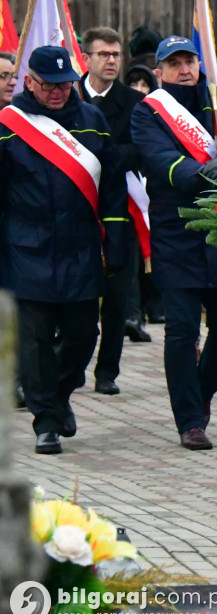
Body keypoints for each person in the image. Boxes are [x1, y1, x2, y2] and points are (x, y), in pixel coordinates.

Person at [0, 46, 128, 454]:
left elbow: (111, 186)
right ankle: (46, 422)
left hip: (80, 247)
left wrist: (117, 237)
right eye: (49, 86)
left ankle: (58, 395)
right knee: (35, 340)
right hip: (25, 247)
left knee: (81, 335)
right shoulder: (8, 124)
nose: (58, 93)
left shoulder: (92, 119)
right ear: (30, 83)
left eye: (65, 85)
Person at [131, 36, 217, 451]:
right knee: (181, 331)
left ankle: (199, 398)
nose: (184, 69)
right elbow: (158, 157)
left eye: (190, 61)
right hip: (177, 232)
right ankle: (189, 420)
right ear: (159, 70)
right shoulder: (148, 111)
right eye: (175, 63)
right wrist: (202, 172)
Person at [79, 27, 148, 396]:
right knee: (80, 298)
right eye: (103, 54)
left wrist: (93, 159)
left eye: (116, 55)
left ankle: (107, 371)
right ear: (86, 58)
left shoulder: (133, 103)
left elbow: (136, 150)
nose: (110, 61)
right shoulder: (67, 96)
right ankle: (74, 365)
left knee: (118, 297)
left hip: (120, 210)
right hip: (77, 210)